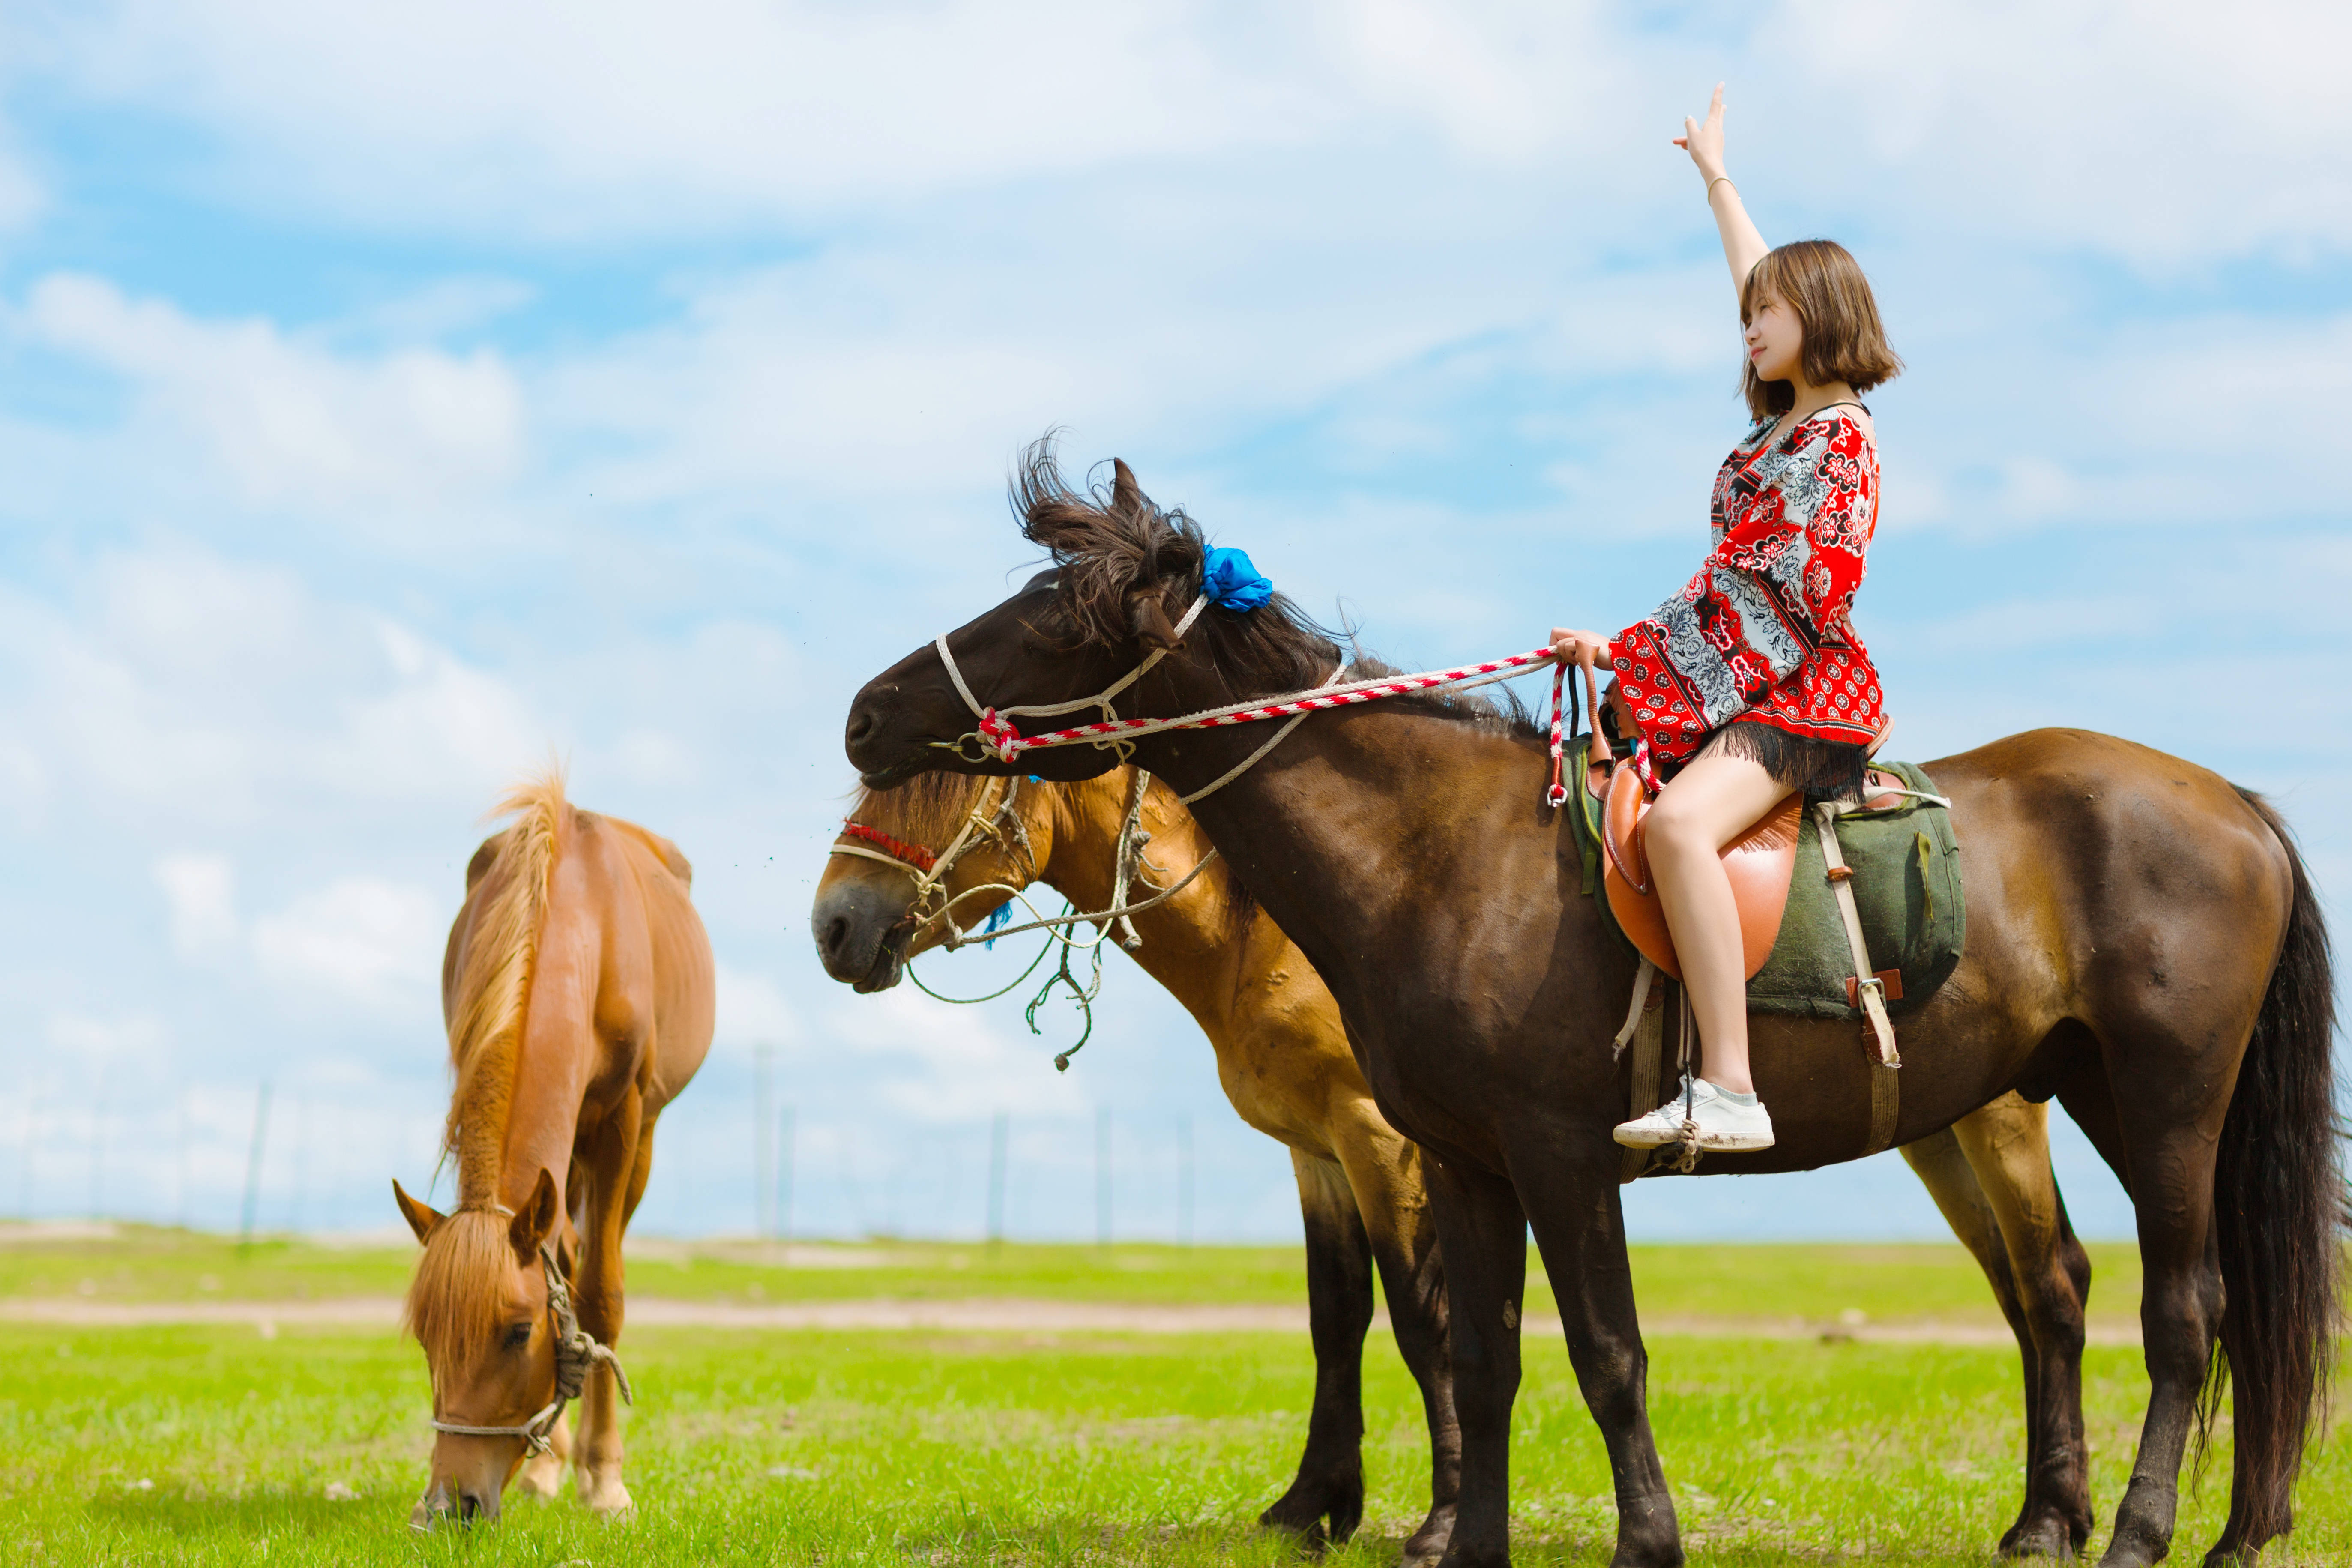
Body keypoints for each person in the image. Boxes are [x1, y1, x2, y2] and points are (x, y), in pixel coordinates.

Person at [1551, 84, 1902, 1154]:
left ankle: (1734, 1088)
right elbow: (1765, 278)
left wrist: (1640, 654)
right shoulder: (1786, 431)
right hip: (1746, 672)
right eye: (1747, 314)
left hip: (1802, 692)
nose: (1748, 326)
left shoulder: (1838, 445)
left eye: (1767, 316)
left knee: (1675, 825)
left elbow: (1773, 594)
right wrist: (1715, 178)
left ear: (1824, 319)